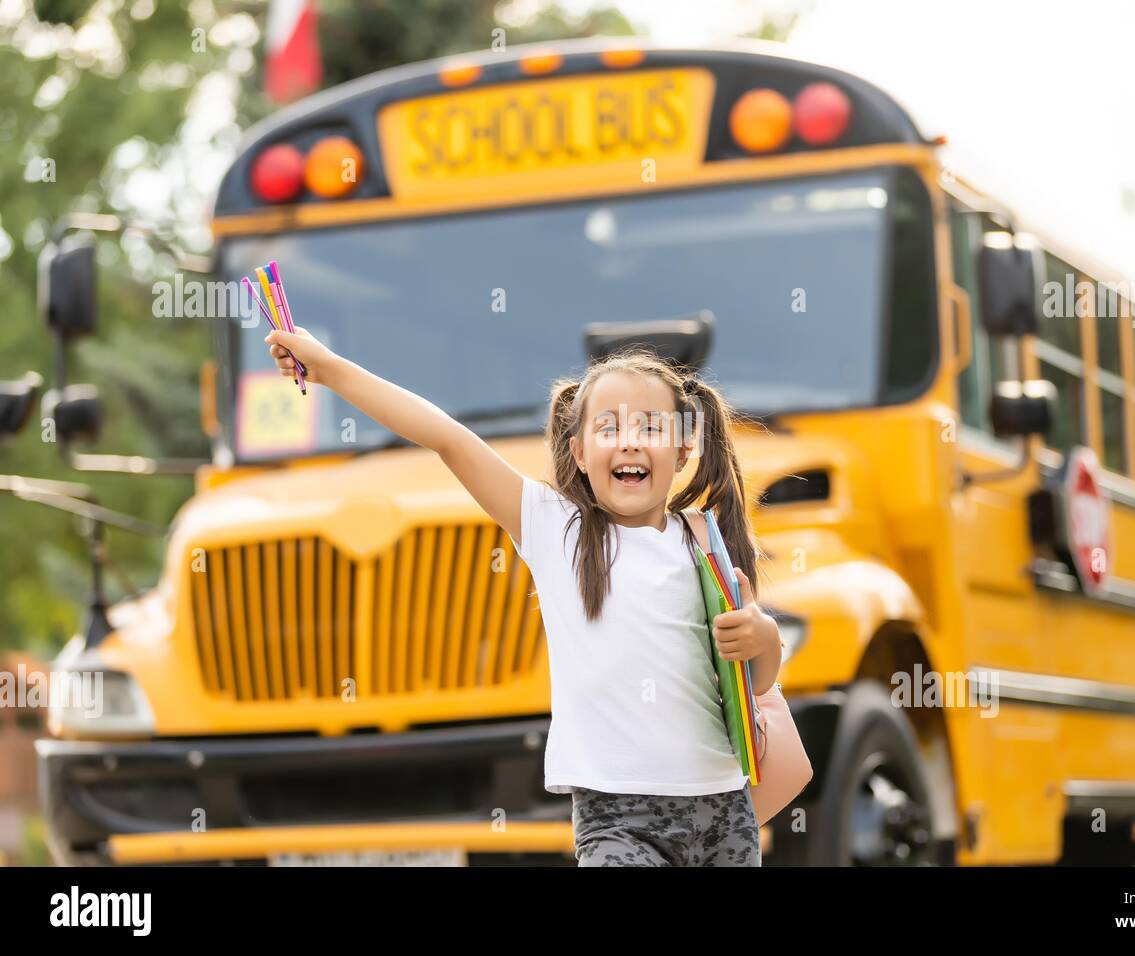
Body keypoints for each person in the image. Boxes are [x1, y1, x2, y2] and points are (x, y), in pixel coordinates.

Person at [264, 327, 783, 866]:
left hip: (724, 809)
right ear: (578, 452)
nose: (629, 440)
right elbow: (446, 437)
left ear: (683, 449)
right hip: (618, 818)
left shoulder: (702, 543)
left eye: (650, 427)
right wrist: (328, 369)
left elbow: (755, 685)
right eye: (609, 428)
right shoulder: (557, 531)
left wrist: (762, 640)